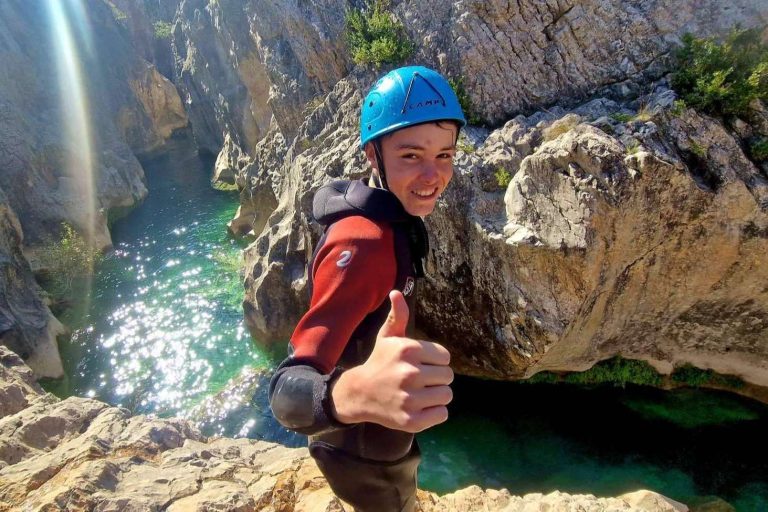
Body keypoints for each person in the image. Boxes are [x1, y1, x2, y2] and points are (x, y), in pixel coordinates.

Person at [269, 65, 466, 511]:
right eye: (411, 155)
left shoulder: (392, 216)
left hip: (375, 434)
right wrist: (356, 392)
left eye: (445, 155)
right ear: (373, 156)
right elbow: (286, 391)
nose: (433, 175)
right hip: (362, 455)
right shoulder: (363, 242)